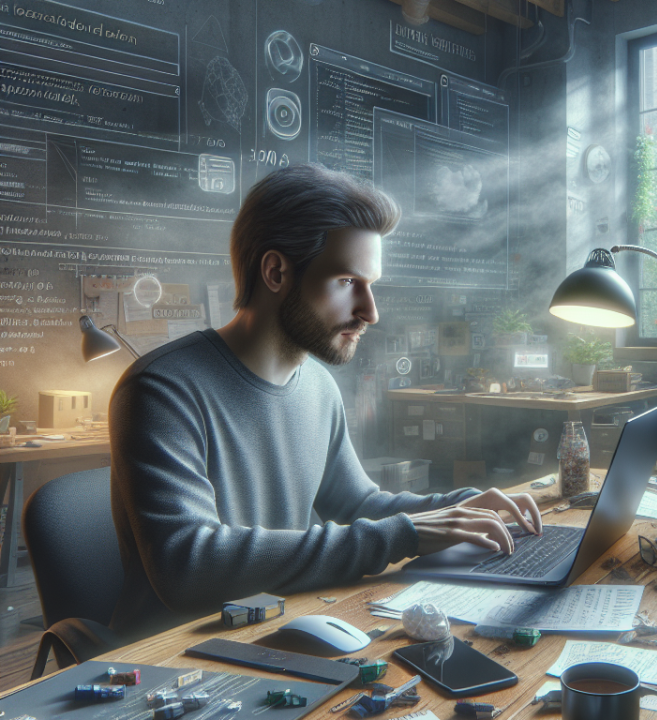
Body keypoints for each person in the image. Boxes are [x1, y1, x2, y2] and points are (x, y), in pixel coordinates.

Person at [109, 164, 541, 639]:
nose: (370, 311)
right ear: (276, 271)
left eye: (371, 285)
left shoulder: (317, 386)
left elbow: (357, 504)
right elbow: (190, 567)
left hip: (273, 633)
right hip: (165, 665)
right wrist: (407, 534)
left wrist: (461, 508)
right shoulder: (160, 390)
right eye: (347, 283)